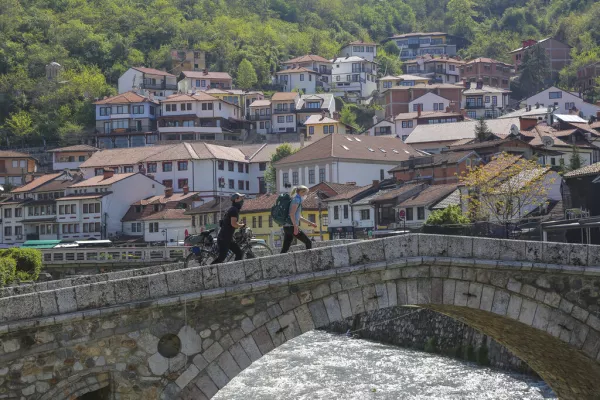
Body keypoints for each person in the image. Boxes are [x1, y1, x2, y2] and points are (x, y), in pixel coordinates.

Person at [281, 185, 318, 253]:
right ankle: (308, 262)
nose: (306, 195)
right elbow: (292, 214)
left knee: (285, 248)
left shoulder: (295, 199)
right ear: (301, 192)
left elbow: (298, 217)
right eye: (306, 193)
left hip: (286, 227)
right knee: (308, 242)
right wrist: (295, 226)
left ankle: (278, 262)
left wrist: (311, 223)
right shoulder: (297, 200)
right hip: (292, 226)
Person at [212, 193, 246, 264]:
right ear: (236, 199)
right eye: (241, 198)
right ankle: (209, 269)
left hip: (227, 238)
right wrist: (241, 225)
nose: (243, 200)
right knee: (221, 258)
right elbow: (233, 224)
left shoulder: (232, 209)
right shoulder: (234, 210)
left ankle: (235, 270)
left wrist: (238, 224)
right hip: (224, 238)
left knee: (239, 253)